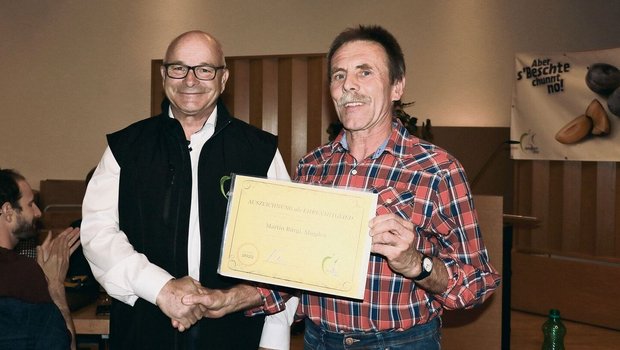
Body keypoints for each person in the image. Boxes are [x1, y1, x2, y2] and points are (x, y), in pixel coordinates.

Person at [185, 25, 502, 349]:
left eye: (365, 72)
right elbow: (290, 275)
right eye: (338, 75)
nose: (348, 84)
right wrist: (227, 299)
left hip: (401, 342)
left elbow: (478, 283)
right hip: (319, 340)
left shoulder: (437, 170)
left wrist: (416, 264)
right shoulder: (313, 167)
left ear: (397, 86)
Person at [80, 30, 290, 349]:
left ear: (223, 78)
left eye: (204, 69)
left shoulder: (259, 152)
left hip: (234, 335)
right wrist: (162, 288)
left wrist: (274, 338)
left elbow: (281, 248)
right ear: (164, 74)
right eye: (179, 68)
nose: (190, 80)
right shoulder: (126, 148)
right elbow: (98, 234)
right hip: (143, 331)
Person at [0, 168, 81, 350]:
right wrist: (54, 285)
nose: (38, 213)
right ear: (8, 211)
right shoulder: (22, 272)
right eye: (30, 204)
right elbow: (62, 346)